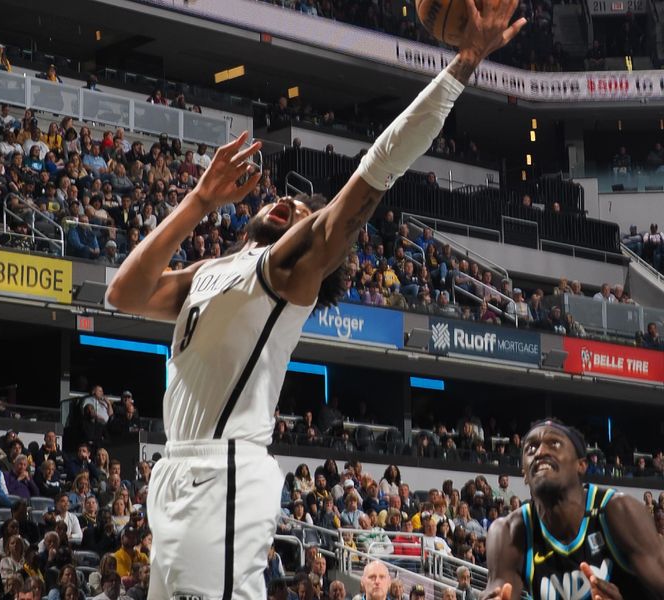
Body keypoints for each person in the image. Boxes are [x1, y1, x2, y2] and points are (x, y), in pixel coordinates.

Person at [105, 3, 524, 597]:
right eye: (285, 202)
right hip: (176, 470)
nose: (290, 206)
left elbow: (379, 166)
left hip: (224, 470)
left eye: (304, 211)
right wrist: (198, 201)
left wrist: (461, 67)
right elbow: (123, 293)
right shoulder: (210, 271)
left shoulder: (284, 271)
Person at [482, 419, 664, 600]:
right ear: (525, 474)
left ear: (581, 465)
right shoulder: (509, 532)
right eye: (531, 448)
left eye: (554, 444)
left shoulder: (619, 511)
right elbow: (497, 591)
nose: (540, 452)